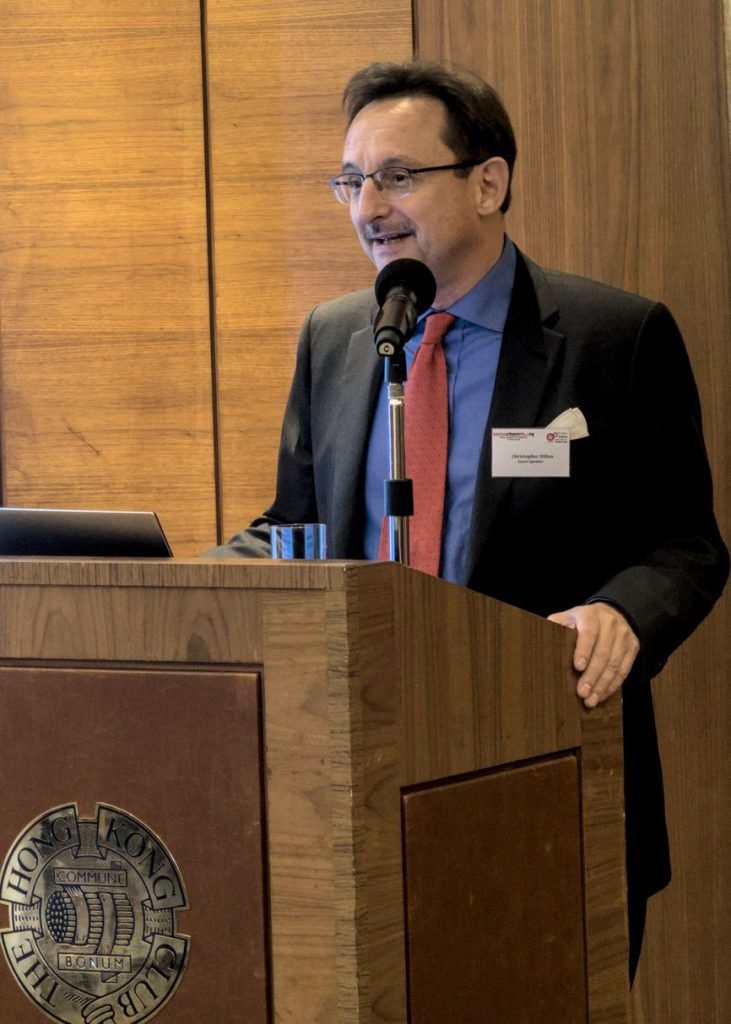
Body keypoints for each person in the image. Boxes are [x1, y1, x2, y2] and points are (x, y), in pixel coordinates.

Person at [207, 60, 729, 982]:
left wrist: (621, 613)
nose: (368, 206)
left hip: (543, 775)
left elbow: (685, 545)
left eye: (398, 176)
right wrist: (192, 583)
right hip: (347, 776)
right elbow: (295, 524)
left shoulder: (614, 338)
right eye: (350, 181)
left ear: (488, 181)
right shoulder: (335, 337)